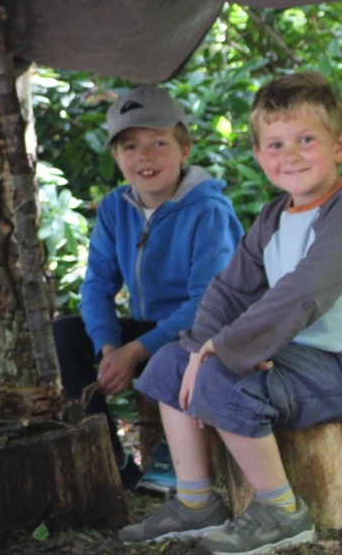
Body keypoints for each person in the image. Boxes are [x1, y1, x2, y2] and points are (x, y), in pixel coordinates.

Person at [119, 71, 342, 555]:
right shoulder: (275, 216)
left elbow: (305, 292)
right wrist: (197, 347)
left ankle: (280, 510)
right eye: (275, 145)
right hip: (301, 360)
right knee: (171, 361)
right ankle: (195, 501)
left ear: (340, 145)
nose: (290, 155)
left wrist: (224, 348)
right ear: (259, 155)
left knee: (222, 372)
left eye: (306, 140)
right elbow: (231, 290)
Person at [53, 85, 244, 490]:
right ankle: (106, 461)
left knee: (181, 348)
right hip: (151, 333)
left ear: (184, 149)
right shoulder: (115, 208)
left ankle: (179, 457)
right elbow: (96, 287)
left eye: (159, 143)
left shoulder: (208, 210)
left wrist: (135, 352)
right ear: (116, 157)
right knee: (65, 335)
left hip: (209, 335)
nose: (145, 156)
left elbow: (208, 304)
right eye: (130, 146)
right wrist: (110, 349)